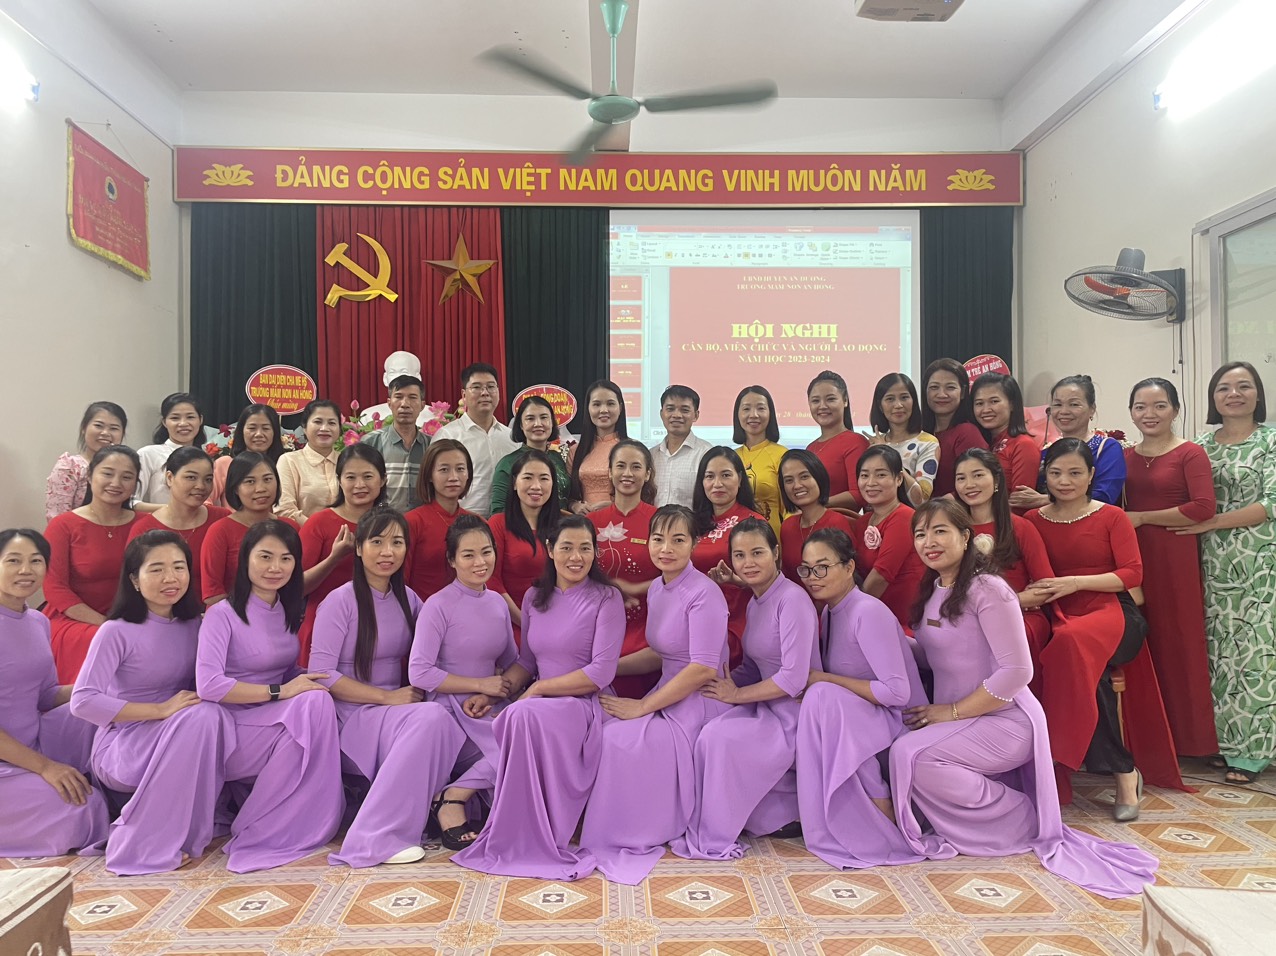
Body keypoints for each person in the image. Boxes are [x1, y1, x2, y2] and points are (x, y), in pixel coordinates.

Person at [889, 499, 1158, 899]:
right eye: (920, 534)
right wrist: (888, 639)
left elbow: (1017, 672)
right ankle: (977, 823)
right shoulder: (932, 590)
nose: (929, 541)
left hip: (1006, 719)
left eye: (940, 531)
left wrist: (952, 712)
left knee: (912, 755)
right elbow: (935, 657)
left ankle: (1018, 816)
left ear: (966, 536)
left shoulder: (988, 589)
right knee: (899, 746)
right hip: (962, 721)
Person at [451, 517, 625, 880]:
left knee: (520, 716)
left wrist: (541, 689)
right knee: (512, 714)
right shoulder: (534, 597)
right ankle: (511, 829)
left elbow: (600, 673)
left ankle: (465, 798)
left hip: (582, 704)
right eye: (567, 547)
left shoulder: (607, 598)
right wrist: (496, 691)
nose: (576, 557)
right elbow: (527, 663)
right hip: (540, 703)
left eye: (585, 548)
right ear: (549, 549)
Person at [1024, 439, 1183, 808]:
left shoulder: (1111, 516)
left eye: (1075, 472)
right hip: (1058, 611)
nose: (1065, 481)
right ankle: (1120, 769)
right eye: (1056, 473)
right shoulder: (1032, 520)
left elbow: (1132, 574)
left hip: (1114, 611)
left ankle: (1069, 762)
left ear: (1091, 474)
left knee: (1071, 644)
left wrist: (1076, 583)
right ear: (1045, 475)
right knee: (1082, 669)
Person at [579, 504, 730, 884]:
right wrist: (605, 669)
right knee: (602, 726)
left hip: (700, 699)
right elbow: (663, 653)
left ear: (694, 543)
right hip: (670, 691)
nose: (666, 548)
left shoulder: (704, 593)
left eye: (678, 540)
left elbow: (702, 667)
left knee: (620, 739)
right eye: (658, 539)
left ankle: (632, 829)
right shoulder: (660, 588)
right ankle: (606, 824)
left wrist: (643, 706)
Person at [71, 531, 233, 874]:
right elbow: (83, 701)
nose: (170, 578)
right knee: (205, 716)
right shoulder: (116, 630)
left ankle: (179, 830)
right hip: (125, 744)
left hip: (180, 732)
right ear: (134, 579)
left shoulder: (196, 625)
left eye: (179, 567)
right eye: (156, 569)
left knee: (212, 714)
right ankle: (142, 842)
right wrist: (159, 711)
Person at [308, 508, 464, 867]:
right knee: (430, 718)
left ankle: (418, 816)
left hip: (392, 713)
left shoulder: (409, 599)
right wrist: (386, 697)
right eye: (377, 542)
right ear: (358, 548)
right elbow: (321, 673)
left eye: (397, 542)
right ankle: (377, 836)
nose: (387, 552)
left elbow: (439, 655)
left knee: (443, 716)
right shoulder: (340, 601)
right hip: (349, 717)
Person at [196, 519, 344, 872]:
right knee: (312, 705)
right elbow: (208, 685)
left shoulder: (284, 610)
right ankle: (262, 828)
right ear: (246, 559)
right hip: (232, 725)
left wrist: (315, 677)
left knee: (319, 696)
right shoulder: (222, 615)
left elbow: (285, 669)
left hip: (271, 717)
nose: (275, 567)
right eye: (265, 557)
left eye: (286, 558)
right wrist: (281, 691)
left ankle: (298, 820)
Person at [671, 518, 819, 860]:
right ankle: (717, 819)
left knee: (719, 738)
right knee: (706, 723)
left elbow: (793, 678)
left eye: (757, 553)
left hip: (794, 713)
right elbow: (753, 667)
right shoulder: (756, 601)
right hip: (765, 704)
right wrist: (718, 683)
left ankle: (727, 828)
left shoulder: (793, 600)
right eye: (739, 555)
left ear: (776, 553)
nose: (748, 562)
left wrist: (736, 695)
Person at [795, 529, 929, 869]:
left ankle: (883, 807)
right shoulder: (830, 612)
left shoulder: (867, 611)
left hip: (900, 721)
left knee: (823, 695)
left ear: (849, 566)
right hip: (865, 717)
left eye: (822, 567)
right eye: (807, 569)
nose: (813, 577)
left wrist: (824, 679)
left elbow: (897, 692)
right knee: (821, 700)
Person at [1183, 362, 1275, 784]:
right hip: (1209, 561)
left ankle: (1254, 751)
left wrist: (1213, 522)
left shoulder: (1271, 441)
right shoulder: (1199, 446)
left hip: (1259, 560)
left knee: (1256, 652)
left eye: (1243, 386)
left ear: (1258, 394)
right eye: (1223, 387)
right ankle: (1223, 743)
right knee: (1219, 652)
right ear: (1212, 397)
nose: (1233, 394)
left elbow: (1271, 503)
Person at [409, 515, 519, 850]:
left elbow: (512, 662)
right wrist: (481, 685)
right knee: (512, 750)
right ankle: (451, 803)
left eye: (486, 552)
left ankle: (453, 794)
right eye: (468, 555)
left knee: (532, 741)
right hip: (450, 710)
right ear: (452, 560)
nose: (479, 562)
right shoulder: (438, 605)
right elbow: (420, 672)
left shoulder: (497, 603)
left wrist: (495, 693)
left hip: (489, 705)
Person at [1122, 377, 1218, 758]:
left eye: (1160, 405)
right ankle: (1151, 740)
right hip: (1135, 557)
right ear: (1131, 413)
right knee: (1145, 642)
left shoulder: (1190, 453)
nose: (1150, 414)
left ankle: (1192, 743)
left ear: (1175, 410)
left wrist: (1144, 517)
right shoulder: (1124, 456)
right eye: (1141, 407)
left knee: (1181, 643)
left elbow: (1203, 507)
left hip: (1175, 556)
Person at [0, 528, 109, 857]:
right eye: (13, 561)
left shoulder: (37, 621)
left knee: (104, 716)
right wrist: (46, 767)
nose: (26, 570)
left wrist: (102, 688)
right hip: (10, 760)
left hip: (33, 742)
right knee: (84, 808)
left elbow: (45, 695)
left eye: (36, 561)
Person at [953, 449, 1055, 692]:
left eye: (978, 475)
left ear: (996, 480)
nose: (969, 484)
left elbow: (1047, 587)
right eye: (961, 478)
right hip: (965, 614)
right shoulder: (951, 530)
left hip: (1019, 615)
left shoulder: (1020, 527)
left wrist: (1001, 607)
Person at [43, 445, 140, 682]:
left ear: (136, 484)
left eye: (127, 477)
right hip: (75, 619)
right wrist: (106, 624)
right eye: (107, 473)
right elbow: (54, 587)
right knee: (101, 640)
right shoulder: (63, 525)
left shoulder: (144, 524)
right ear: (89, 475)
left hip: (131, 616)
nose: (116, 483)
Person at [299, 444, 388, 665]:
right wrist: (334, 559)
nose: (359, 485)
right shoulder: (319, 523)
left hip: (378, 629)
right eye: (350, 477)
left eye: (368, 476)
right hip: (324, 629)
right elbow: (296, 586)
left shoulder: (390, 525)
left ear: (383, 480)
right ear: (339, 481)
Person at [587, 439, 661, 699]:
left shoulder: (660, 521)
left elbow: (676, 576)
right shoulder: (590, 522)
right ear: (609, 472)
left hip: (647, 628)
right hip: (597, 626)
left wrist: (635, 588)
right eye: (620, 466)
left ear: (647, 474)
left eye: (636, 467)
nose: (627, 473)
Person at [691, 447, 764, 669]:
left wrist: (735, 580)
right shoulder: (692, 523)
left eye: (725, 475)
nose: (717, 484)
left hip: (737, 619)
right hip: (694, 616)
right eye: (710, 476)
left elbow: (770, 582)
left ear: (740, 479)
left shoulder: (753, 523)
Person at [126, 447, 230, 602]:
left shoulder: (222, 520)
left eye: (208, 479)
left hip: (220, 610)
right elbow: (134, 583)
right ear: (170, 478)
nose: (201, 486)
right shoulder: (145, 529)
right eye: (191, 477)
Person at [1010, 374, 1127, 510]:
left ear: (1092, 409)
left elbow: (1104, 497)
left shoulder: (1107, 448)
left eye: (1074, 404)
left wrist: (1044, 500)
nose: (1064, 411)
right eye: (1057, 404)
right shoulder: (1046, 451)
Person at [201, 452, 299, 605]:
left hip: (281, 613)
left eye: (267, 479)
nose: (260, 488)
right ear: (235, 488)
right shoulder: (220, 530)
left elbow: (297, 583)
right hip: (230, 615)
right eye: (250, 481)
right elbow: (212, 593)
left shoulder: (290, 527)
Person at [489, 449, 561, 645]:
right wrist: (525, 622)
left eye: (544, 478)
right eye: (528, 477)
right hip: (511, 624)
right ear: (514, 483)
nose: (536, 486)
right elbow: (492, 582)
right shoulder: (498, 524)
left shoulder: (564, 525)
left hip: (558, 623)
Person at [850, 446, 926, 632]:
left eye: (881, 475)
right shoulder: (863, 522)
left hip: (902, 624)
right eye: (864, 475)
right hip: (873, 619)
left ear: (898, 479)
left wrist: (849, 615)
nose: (870, 482)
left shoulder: (904, 517)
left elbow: (881, 577)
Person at [432, 363, 518, 517]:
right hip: (462, 521)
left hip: (506, 520)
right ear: (464, 395)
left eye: (491, 387)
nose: (485, 393)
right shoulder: (447, 435)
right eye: (477, 387)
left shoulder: (512, 437)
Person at [404, 439, 473, 600]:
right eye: (444, 470)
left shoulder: (477, 523)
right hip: (422, 611)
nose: (453, 477)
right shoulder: (412, 522)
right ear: (429, 475)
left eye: (460, 469)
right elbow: (401, 581)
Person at [777, 449, 853, 586]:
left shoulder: (836, 523)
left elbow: (847, 577)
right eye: (789, 480)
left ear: (819, 477)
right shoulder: (787, 526)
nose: (797, 485)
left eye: (804, 476)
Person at [46, 401, 127, 521]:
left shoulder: (127, 467)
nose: (105, 433)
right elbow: (57, 517)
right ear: (84, 428)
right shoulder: (70, 467)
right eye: (98, 426)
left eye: (114, 428)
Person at [361, 374, 431, 512]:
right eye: (398, 397)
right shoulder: (370, 442)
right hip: (382, 520)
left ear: (422, 405)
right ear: (389, 403)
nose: (405, 404)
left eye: (412, 397)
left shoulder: (431, 445)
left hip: (422, 521)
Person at [491, 395, 570, 514]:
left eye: (544, 417)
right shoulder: (508, 463)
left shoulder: (557, 458)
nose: (538, 423)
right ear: (521, 425)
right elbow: (498, 511)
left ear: (552, 423)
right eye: (530, 418)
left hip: (562, 524)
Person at [869, 372, 938, 506]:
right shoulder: (874, 443)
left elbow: (921, 499)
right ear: (880, 406)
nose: (898, 405)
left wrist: (887, 453)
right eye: (890, 399)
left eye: (904, 397)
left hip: (911, 517)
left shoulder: (927, 443)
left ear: (913, 401)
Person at [806, 371, 869, 511]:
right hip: (811, 522)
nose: (822, 406)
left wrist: (816, 504)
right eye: (815, 401)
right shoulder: (810, 448)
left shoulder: (856, 442)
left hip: (842, 522)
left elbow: (859, 494)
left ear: (845, 401)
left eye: (830, 399)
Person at [921, 358, 984, 500]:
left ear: (962, 392)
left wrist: (936, 506)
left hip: (953, 511)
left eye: (950, 387)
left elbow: (977, 483)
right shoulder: (920, 433)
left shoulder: (967, 433)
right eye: (934, 387)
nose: (941, 394)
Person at [972, 373, 1039, 501]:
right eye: (979, 403)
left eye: (994, 401)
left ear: (1012, 404)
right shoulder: (979, 442)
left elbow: (1020, 501)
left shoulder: (1023, 444)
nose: (986, 409)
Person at [275, 398, 342, 523]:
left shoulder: (347, 460)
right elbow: (284, 509)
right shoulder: (289, 461)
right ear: (304, 428)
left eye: (332, 423)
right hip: (303, 533)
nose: (324, 428)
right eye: (318, 422)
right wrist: (318, 531)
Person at [733, 384, 788, 536]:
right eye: (746, 409)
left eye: (761, 408)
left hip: (772, 536)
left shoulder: (782, 455)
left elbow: (790, 509)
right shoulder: (730, 457)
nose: (753, 415)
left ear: (770, 414)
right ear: (737, 415)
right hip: (735, 537)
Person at [135, 393, 206, 508]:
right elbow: (132, 501)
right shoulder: (148, 454)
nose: (183, 423)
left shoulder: (208, 458)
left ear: (200, 420)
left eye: (190, 417)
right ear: (164, 422)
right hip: (157, 519)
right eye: (175, 418)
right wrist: (171, 511)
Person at [568, 379, 627, 514]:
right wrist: (574, 506)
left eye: (610, 404)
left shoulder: (632, 450)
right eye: (596, 404)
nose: (603, 410)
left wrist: (616, 505)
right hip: (584, 522)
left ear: (620, 408)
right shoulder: (575, 451)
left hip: (621, 519)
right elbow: (569, 495)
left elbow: (644, 493)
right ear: (588, 408)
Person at [650, 385, 713, 508]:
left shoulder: (706, 453)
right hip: (653, 520)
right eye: (670, 409)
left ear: (696, 415)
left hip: (692, 521)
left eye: (684, 410)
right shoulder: (651, 455)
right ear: (662, 414)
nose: (677, 415)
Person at [210, 404, 284, 508]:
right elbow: (204, 500)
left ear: (275, 432)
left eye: (266, 428)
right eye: (252, 428)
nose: (259, 434)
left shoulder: (284, 465)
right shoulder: (226, 464)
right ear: (241, 431)